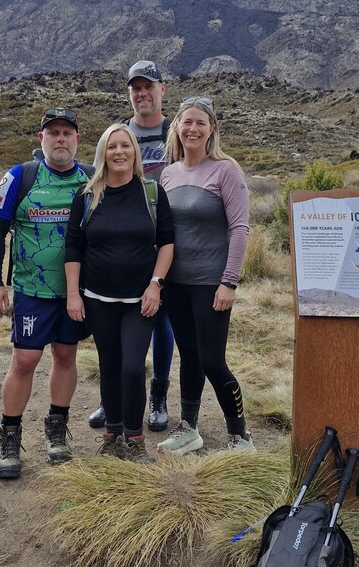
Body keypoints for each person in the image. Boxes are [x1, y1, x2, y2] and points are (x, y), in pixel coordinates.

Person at [0, 107, 92, 479]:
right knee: (25, 360)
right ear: (41, 139)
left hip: (75, 292)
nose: (60, 139)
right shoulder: (20, 177)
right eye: (53, 133)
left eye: (67, 133)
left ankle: (57, 429)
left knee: (65, 355)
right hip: (32, 288)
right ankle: (10, 435)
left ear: (77, 139)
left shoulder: (92, 179)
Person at [65, 123, 174, 462]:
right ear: (103, 153)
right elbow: (73, 247)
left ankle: (134, 439)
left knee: (131, 368)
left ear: (134, 152)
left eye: (125, 145)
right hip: (98, 298)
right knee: (109, 365)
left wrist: (155, 284)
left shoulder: (151, 193)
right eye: (112, 146)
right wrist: (73, 294)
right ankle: (112, 435)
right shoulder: (87, 195)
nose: (119, 152)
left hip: (140, 300)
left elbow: (167, 242)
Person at [157, 96, 253, 454]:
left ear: (212, 129)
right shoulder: (169, 173)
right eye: (187, 122)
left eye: (200, 123)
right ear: (177, 128)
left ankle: (240, 436)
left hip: (212, 284)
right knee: (190, 356)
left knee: (212, 360)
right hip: (177, 284)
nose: (193, 129)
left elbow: (240, 228)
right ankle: (189, 429)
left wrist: (229, 281)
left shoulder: (226, 170)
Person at [88, 59, 175, 432]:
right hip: (127, 235)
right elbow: (97, 176)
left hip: (167, 235)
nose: (142, 94)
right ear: (129, 94)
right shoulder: (119, 134)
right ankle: (116, 401)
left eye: (148, 87)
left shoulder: (176, 131)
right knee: (118, 342)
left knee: (161, 320)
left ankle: (157, 393)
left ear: (161, 90)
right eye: (135, 88)